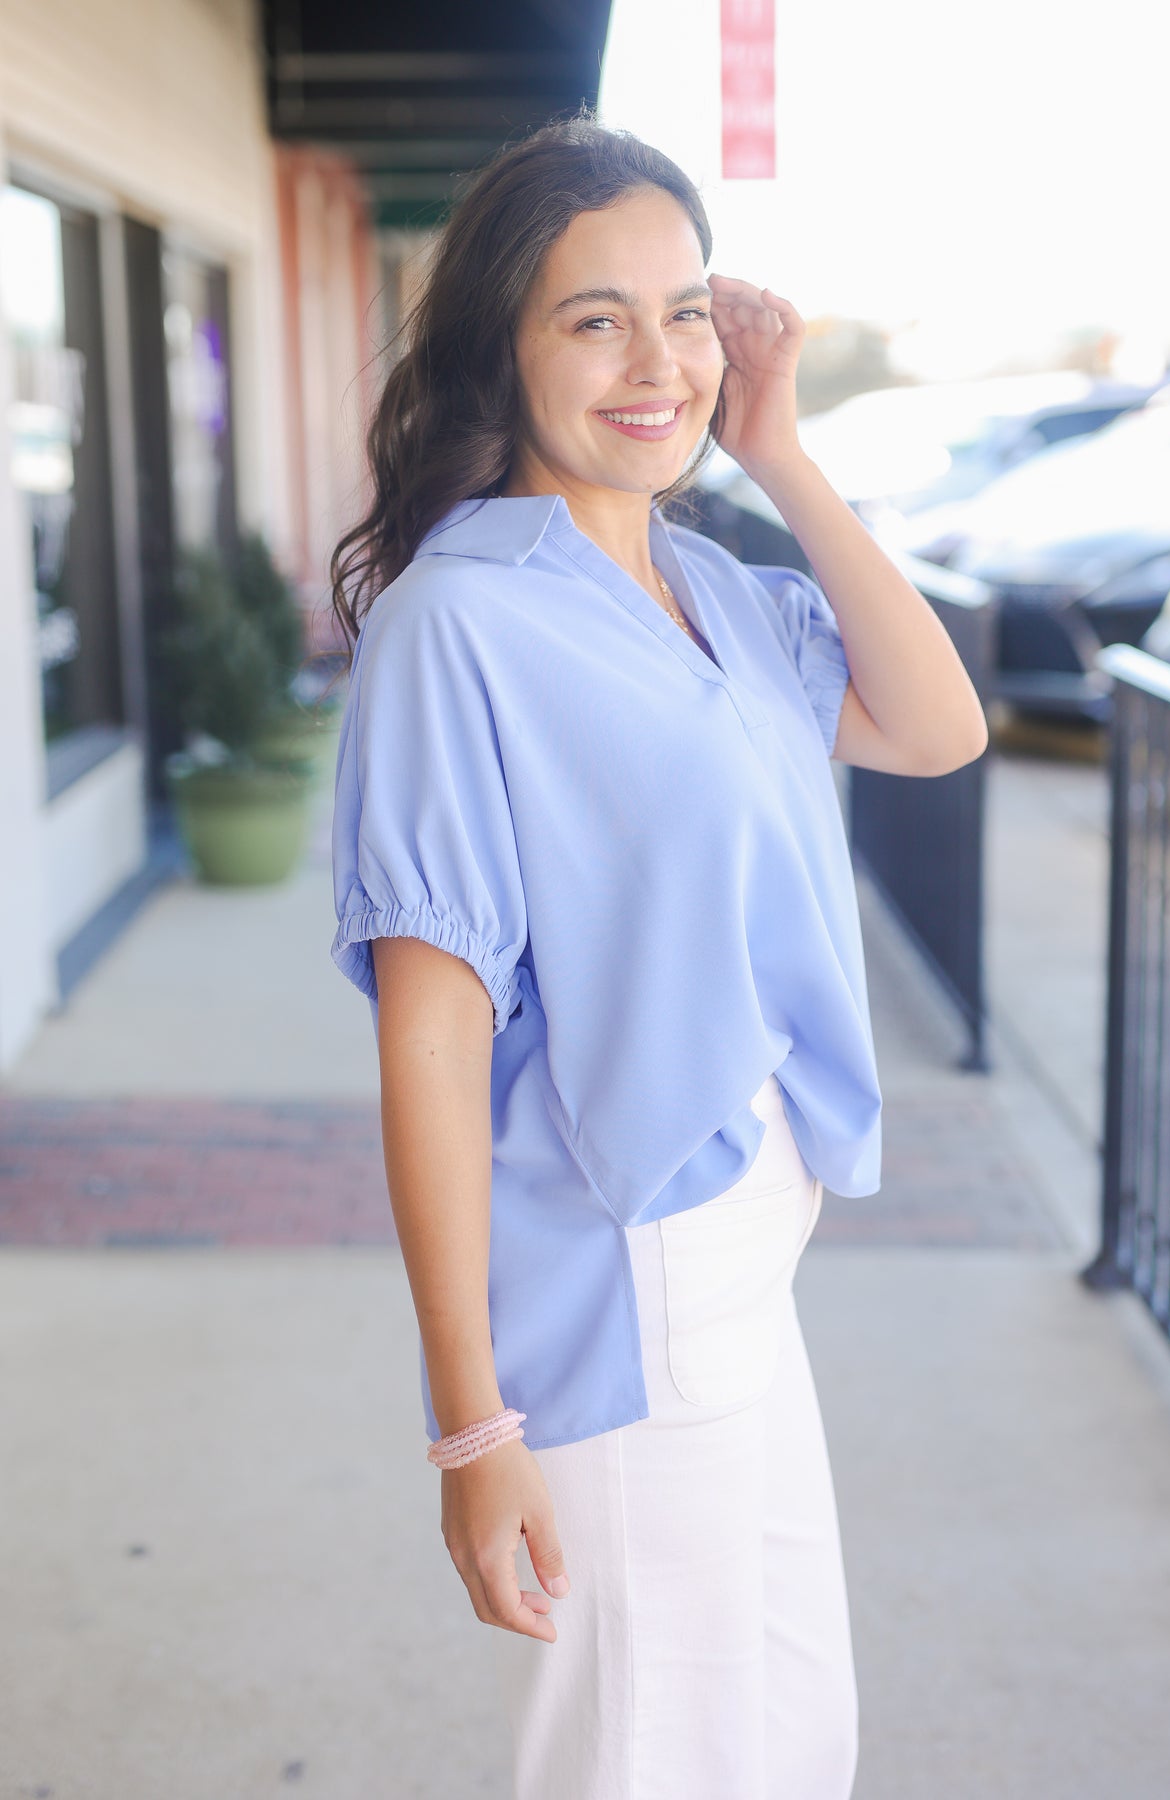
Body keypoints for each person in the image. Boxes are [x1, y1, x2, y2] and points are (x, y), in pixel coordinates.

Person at [328, 113, 987, 1800]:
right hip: (623, 1282)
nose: (656, 360)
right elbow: (431, 1037)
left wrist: (779, 451)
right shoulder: (455, 621)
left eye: (684, 310)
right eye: (594, 316)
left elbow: (936, 726)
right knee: (656, 1762)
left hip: (751, 1266)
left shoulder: (717, 584)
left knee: (789, 1737)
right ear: (502, 345)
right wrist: (473, 1425)